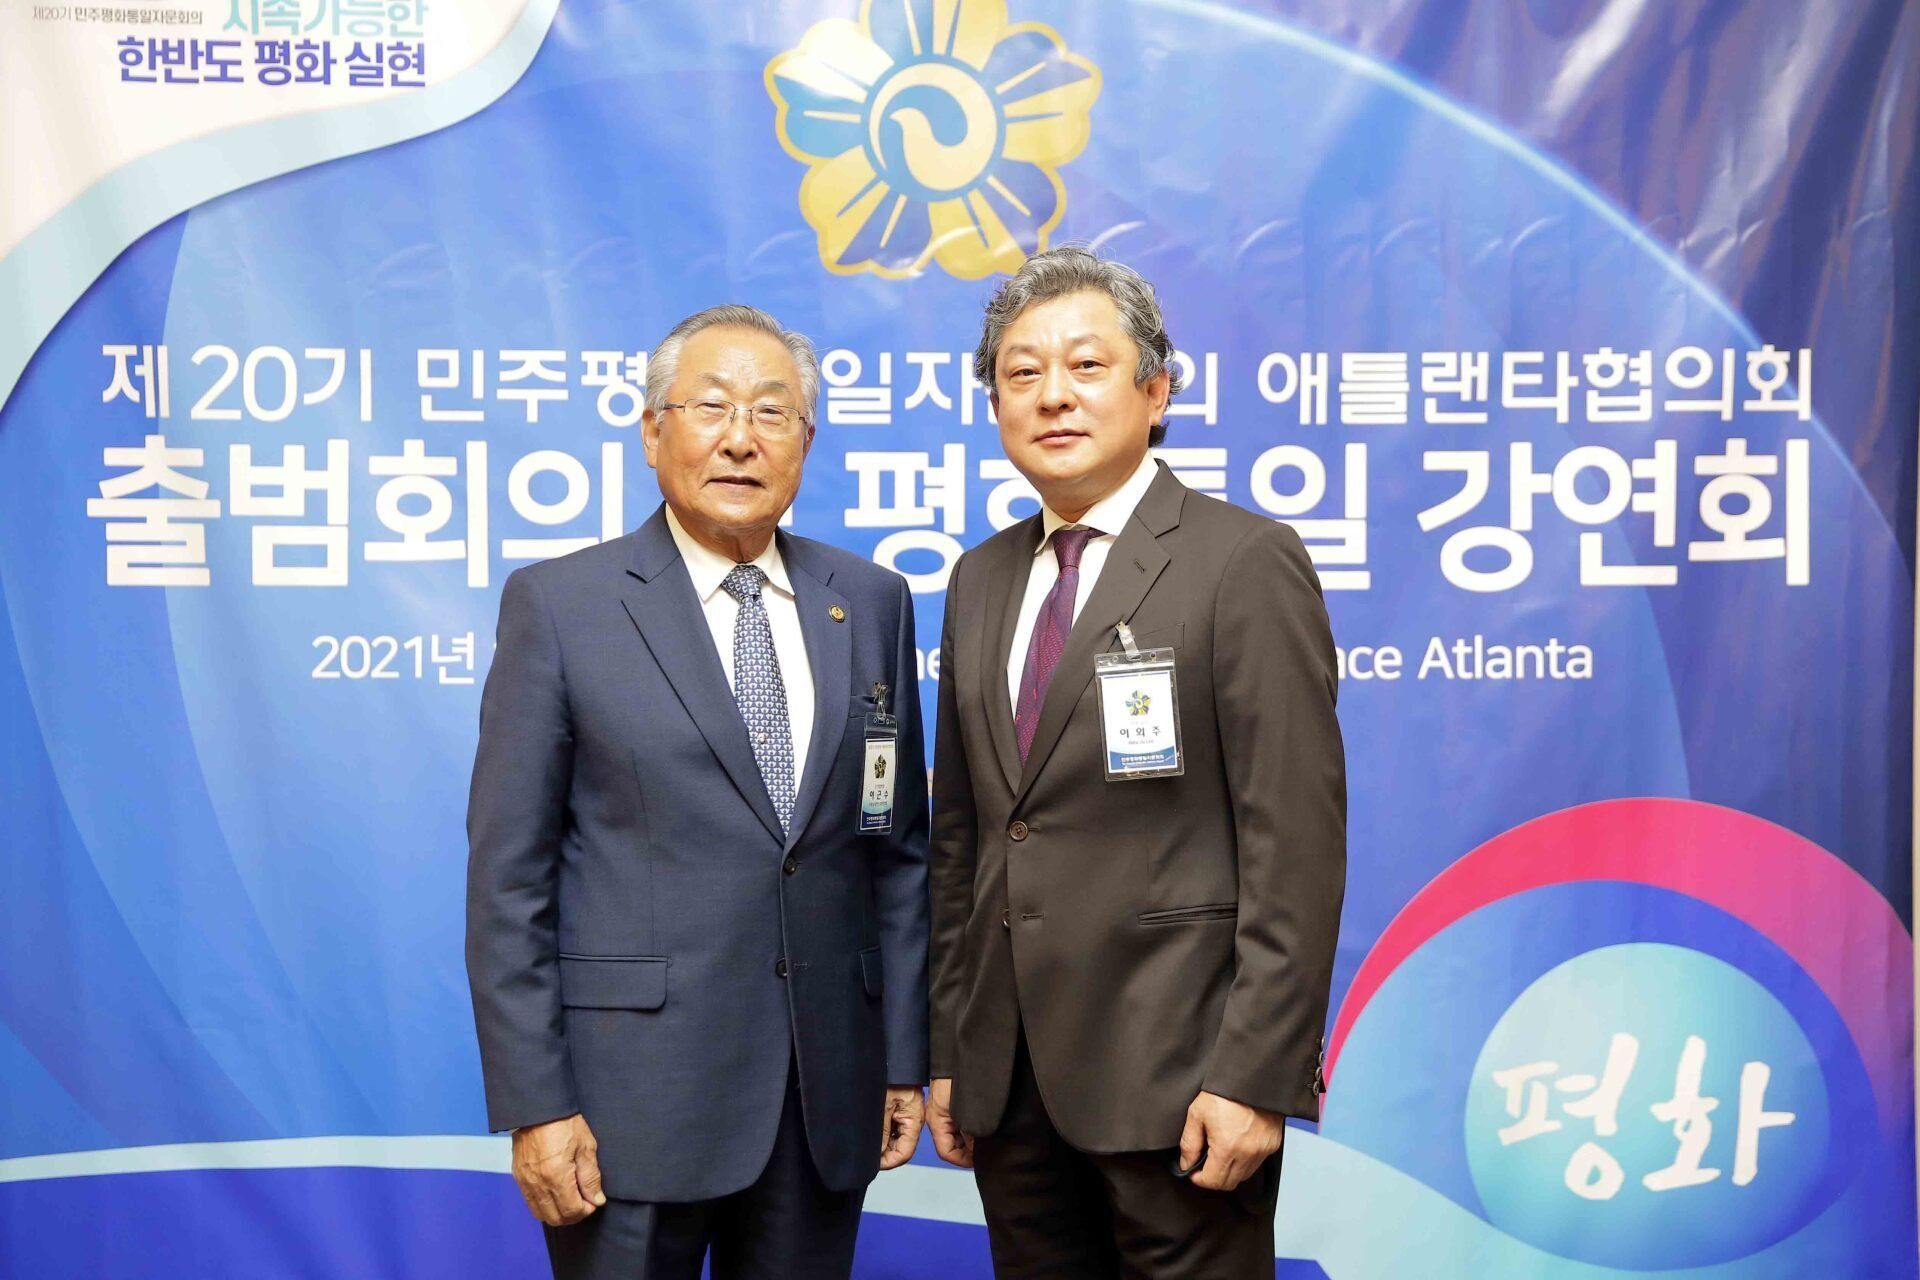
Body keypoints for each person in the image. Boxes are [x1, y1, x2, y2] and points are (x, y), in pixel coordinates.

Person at [466, 305, 929, 1280]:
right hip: (627, 1108)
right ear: (652, 430)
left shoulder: (870, 601)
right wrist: (538, 1104)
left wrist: (899, 1057)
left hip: (822, 1097)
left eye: (772, 411)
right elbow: (510, 879)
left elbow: (893, 848)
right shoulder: (562, 605)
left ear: (806, 440)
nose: (739, 437)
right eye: (710, 406)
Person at [924, 247, 1346, 1277]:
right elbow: (965, 840)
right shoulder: (980, 578)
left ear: (1156, 392)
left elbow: (1293, 844)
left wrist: (1256, 1075)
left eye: (1086, 365)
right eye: (1022, 373)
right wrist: (952, 1050)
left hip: (1182, 1080)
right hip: (1011, 1087)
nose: (1053, 396)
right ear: (993, 404)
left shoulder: (1240, 560)